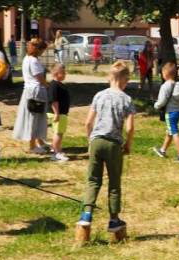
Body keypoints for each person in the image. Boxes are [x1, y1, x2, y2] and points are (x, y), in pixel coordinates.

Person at [78, 61, 135, 239]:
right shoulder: (127, 99)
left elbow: (88, 122)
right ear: (126, 80)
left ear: (109, 78)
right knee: (114, 182)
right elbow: (130, 128)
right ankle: (113, 219)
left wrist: (90, 141)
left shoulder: (99, 96)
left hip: (96, 141)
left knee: (93, 179)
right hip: (114, 143)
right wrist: (128, 144)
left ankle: (86, 214)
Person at [152, 61, 179, 162]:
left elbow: (162, 101)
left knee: (174, 132)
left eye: (162, 73)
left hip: (170, 113)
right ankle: (162, 150)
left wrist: (156, 106)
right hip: (178, 113)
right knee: (170, 131)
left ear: (166, 74)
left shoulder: (165, 86)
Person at [12, 38, 50, 154]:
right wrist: (48, 86)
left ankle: (40, 141)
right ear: (38, 49)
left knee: (38, 117)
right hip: (35, 91)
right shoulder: (33, 61)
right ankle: (32, 146)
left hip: (30, 90)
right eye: (42, 50)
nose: (43, 52)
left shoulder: (27, 59)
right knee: (33, 118)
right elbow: (39, 77)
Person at [48, 63, 71, 162]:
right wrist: (56, 113)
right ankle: (57, 154)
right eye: (63, 73)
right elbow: (54, 101)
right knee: (58, 133)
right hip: (58, 113)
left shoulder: (59, 84)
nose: (65, 74)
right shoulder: (54, 86)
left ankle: (55, 149)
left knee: (58, 132)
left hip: (61, 113)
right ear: (56, 74)